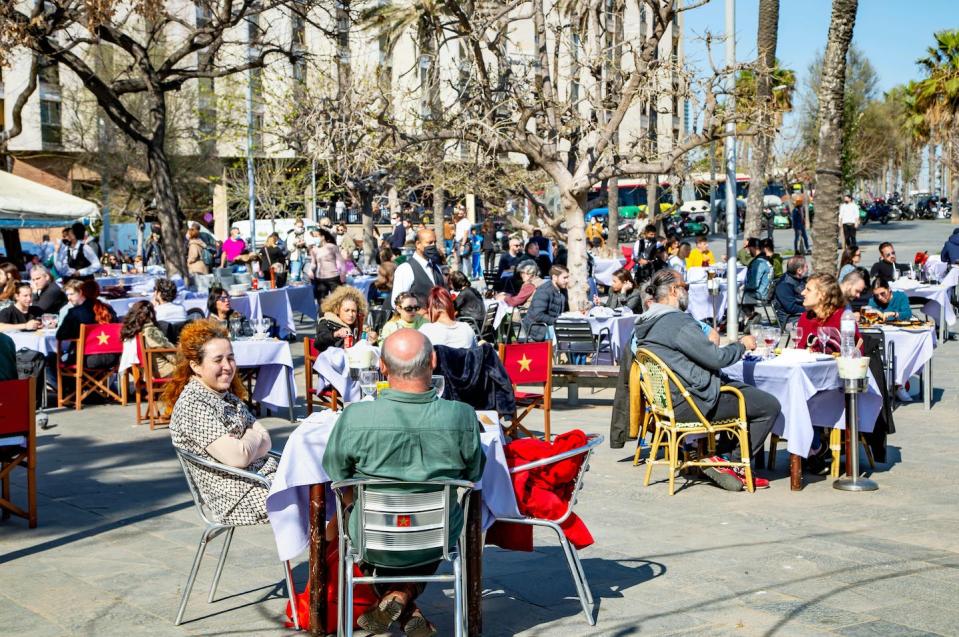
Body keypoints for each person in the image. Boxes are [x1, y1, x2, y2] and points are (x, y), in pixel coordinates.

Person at [323, 328, 484, 635]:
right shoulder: (462, 416)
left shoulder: (355, 417)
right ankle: (403, 597)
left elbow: (335, 471)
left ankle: (395, 597)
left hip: (372, 537)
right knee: (434, 520)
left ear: (382, 366)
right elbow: (474, 473)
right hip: (435, 538)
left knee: (350, 513)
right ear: (434, 361)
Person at [631, 268, 778, 491]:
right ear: (673, 290)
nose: (688, 292)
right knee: (768, 405)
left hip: (670, 404)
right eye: (685, 287)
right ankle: (732, 463)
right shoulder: (676, 322)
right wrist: (742, 345)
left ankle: (720, 457)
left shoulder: (647, 323)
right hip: (694, 402)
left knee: (745, 394)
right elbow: (716, 358)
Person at [165, 320, 277, 525]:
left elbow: (267, 439)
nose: (227, 367)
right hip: (238, 496)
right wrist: (253, 437)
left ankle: (332, 555)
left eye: (231, 358)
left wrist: (247, 441)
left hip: (260, 479)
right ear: (196, 366)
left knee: (330, 488)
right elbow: (239, 457)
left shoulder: (223, 395)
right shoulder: (194, 404)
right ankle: (329, 555)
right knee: (318, 499)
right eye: (218, 360)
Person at [56, 279, 119, 368]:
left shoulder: (75, 312)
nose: (69, 298)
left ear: (81, 292)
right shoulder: (108, 309)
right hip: (112, 358)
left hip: (85, 359)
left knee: (51, 358)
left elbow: (60, 335)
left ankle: (72, 382)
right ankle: (96, 382)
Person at [798, 273, 862, 354]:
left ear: (823, 294)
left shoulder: (842, 318)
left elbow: (857, 349)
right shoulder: (805, 317)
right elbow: (799, 350)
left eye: (808, 289)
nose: (802, 293)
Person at [120, 300, 177, 378]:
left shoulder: (132, 333)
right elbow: (170, 354)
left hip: (151, 373)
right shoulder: (150, 331)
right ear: (151, 314)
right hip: (166, 371)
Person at [390, 229, 446, 308]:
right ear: (418, 244)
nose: (433, 246)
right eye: (429, 243)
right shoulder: (406, 269)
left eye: (434, 242)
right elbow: (397, 303)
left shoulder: (436, 268)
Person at [522, 265, 569, 342]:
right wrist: (557, 321)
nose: (567, 280)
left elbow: (564, 310)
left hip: (552, 325)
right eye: (564, 278)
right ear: (554, 277)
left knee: (577, 331)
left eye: (567, 277)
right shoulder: (544, 291)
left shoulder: (562, 290)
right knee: (566, 334)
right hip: (537, 329)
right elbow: (538, 315)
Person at [315, 285, 367, 352]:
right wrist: (336, 334)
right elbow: (317, 343)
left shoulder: (358, 323)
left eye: (353, 311)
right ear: (337, 310)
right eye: (346, 310)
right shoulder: (327, 321)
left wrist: (371, 340)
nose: (351, 314)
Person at [309, 228, 346, 304]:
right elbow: (313, 263)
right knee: (322, 302)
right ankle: (322, 315)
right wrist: (310, 270)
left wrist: (343, 273)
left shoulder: (332, 247)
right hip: (320, 279)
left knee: (337, 301)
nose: (315, 239)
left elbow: (341, 261)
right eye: (313, 237)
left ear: (322, 237)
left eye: (316, 236)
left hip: (333, 277)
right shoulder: (314, 250)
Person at [773, 256, 808, 326]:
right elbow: (791, 308)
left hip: (801, 315)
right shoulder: (784, 285)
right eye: (806, 267)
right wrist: (811, 309)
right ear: (799, 271)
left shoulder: (799, 279)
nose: (808, 269)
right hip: (791, 320)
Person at [742, 242, 772, 312]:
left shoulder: (758, 263)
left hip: (760, 294)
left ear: (753, 248)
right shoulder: (766, 260)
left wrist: (742, 286)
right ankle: (750, 315)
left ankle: (750, 315)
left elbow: (754, 285)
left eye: (749, 249)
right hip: (766, 292)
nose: (748, 251)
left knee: (733, 294)